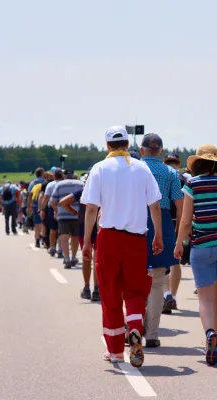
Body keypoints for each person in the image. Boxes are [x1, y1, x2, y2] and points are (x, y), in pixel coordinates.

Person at [81, 126, 163, 368]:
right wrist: (158, 235)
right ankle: (135, 328)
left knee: (110, 293)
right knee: (136, 291)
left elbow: (91, 209)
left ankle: (116, 351)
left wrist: (87, 240)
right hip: (136, 239)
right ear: (128, 144)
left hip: (108, 239)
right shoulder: (141, 168)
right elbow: (155, 206)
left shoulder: (99, 169)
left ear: (107, 146)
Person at [174, 144, 217, 366]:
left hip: (202, 244)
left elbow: (185, 221)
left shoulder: (193, 184)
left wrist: (178, 244)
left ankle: (209, 334)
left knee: (204, 297)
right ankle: (214, 339)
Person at [140, 134, 184, 348]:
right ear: (160, 152)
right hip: (163, 220)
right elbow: (180, 203)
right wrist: (177, 232)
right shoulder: (170, 172)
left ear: (142, 151)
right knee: (157, 281)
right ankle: (152, 333)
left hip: (135, 220)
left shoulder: (135, 168)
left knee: (133, 278)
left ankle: (133, 326)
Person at [59, 188, 100, 301]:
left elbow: (63, 202)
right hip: (100, 226)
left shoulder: (84, 190)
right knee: (97, 259)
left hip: (83, 226)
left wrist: (75, 212)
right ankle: (97, 290)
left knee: (86, 258)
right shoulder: (105, 189)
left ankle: (86, 288)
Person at [163, 152, 187, 312]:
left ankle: (167, 294)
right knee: (174, 261)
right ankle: (172, 295)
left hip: (165, 219)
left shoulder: (163, 175)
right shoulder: (183, 179)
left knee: (164, 261)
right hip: (176, 221)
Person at [50, 168, 85, 268]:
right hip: (78, 214)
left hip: (63, 214)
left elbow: (53, 201)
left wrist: (56, 210)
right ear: (73, 174)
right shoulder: (81, 184)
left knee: (64, 237)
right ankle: (74, 257)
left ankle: (66, 258)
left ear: (64, 175)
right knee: (75, 236)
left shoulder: (59, 184)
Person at [42, 169, 63, 257]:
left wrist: (42, 209)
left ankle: (52, 247)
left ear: (54, 176)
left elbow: (45, 197)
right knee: (62, 230)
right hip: (63, 208)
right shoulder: (64, 184)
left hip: (51, 208)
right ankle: (61, 249)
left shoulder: (50, 184)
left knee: (53, 229)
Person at [27, 168, 46, 248]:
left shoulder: (33, 182)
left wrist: (29, 206)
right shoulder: (45, 181)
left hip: (35, 204)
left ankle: (37, 239)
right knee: (44, 223)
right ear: (42, 173)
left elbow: (30, 194)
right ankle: (44, 239)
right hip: (44, 203)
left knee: (37, 223)